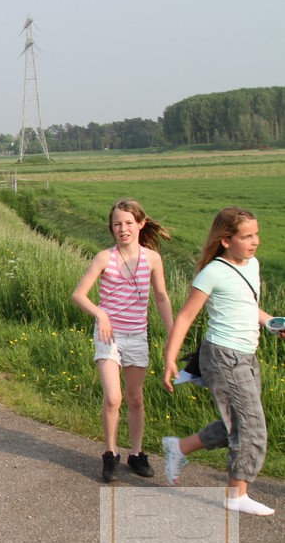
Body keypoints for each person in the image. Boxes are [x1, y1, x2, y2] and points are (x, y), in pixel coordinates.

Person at [161, 207, 281, 516]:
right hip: (223, 357)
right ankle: (236, 494)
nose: (254, 241)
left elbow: (246, 306)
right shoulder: (212, 272)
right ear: (226, 240)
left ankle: (179, 447)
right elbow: (186, 317)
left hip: (247, 354)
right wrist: (170, 357)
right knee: (251, 427)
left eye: (256, 234)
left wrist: (272, 323)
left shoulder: (252, 265)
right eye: (246, 236)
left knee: (240, 424)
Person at [71, 198, 174, 483]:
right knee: (113, 398)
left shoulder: (152, 259)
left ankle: (137, 454)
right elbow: (79, 295)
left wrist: (173, 334)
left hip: (137, 335)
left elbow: (162, 297)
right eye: (117, 224)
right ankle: (111, 454)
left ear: (141, 224)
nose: (123, 229)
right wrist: (100, 313)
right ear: (111, 227)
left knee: (135, 398)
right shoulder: (105, 258)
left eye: (128, 223)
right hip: (109, 337)